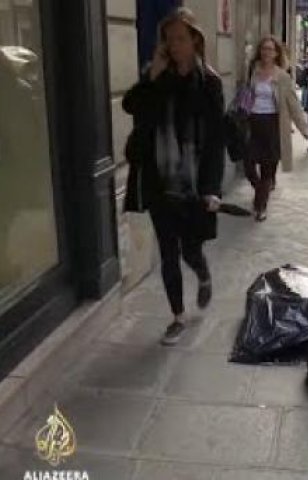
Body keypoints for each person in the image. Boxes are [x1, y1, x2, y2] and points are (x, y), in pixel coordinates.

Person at [122, 7, 225, 346]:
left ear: (195, 40)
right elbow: (130, 106)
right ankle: (178, 316)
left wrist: (212, 188)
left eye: (182, 38)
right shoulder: (157, 77)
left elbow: (214, 141)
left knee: (189, 250)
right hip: (159, 181)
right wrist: (152, 75)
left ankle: (203, 272)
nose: (176, 45)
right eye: (170, 39)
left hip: (193, 185)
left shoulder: (209, 81)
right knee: (168, 251)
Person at [245, 36, 308, 221]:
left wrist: (304, 128)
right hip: (253, 123)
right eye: (264, 48)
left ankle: (261, 206)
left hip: (273, 125)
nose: (267, 52)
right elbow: (247, 95)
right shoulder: (253, 71)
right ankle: (261, 192)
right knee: (248, 165)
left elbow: (293, 104)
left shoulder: (282, 76)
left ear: (276, 53)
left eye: (270, 49)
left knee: (267, 168)